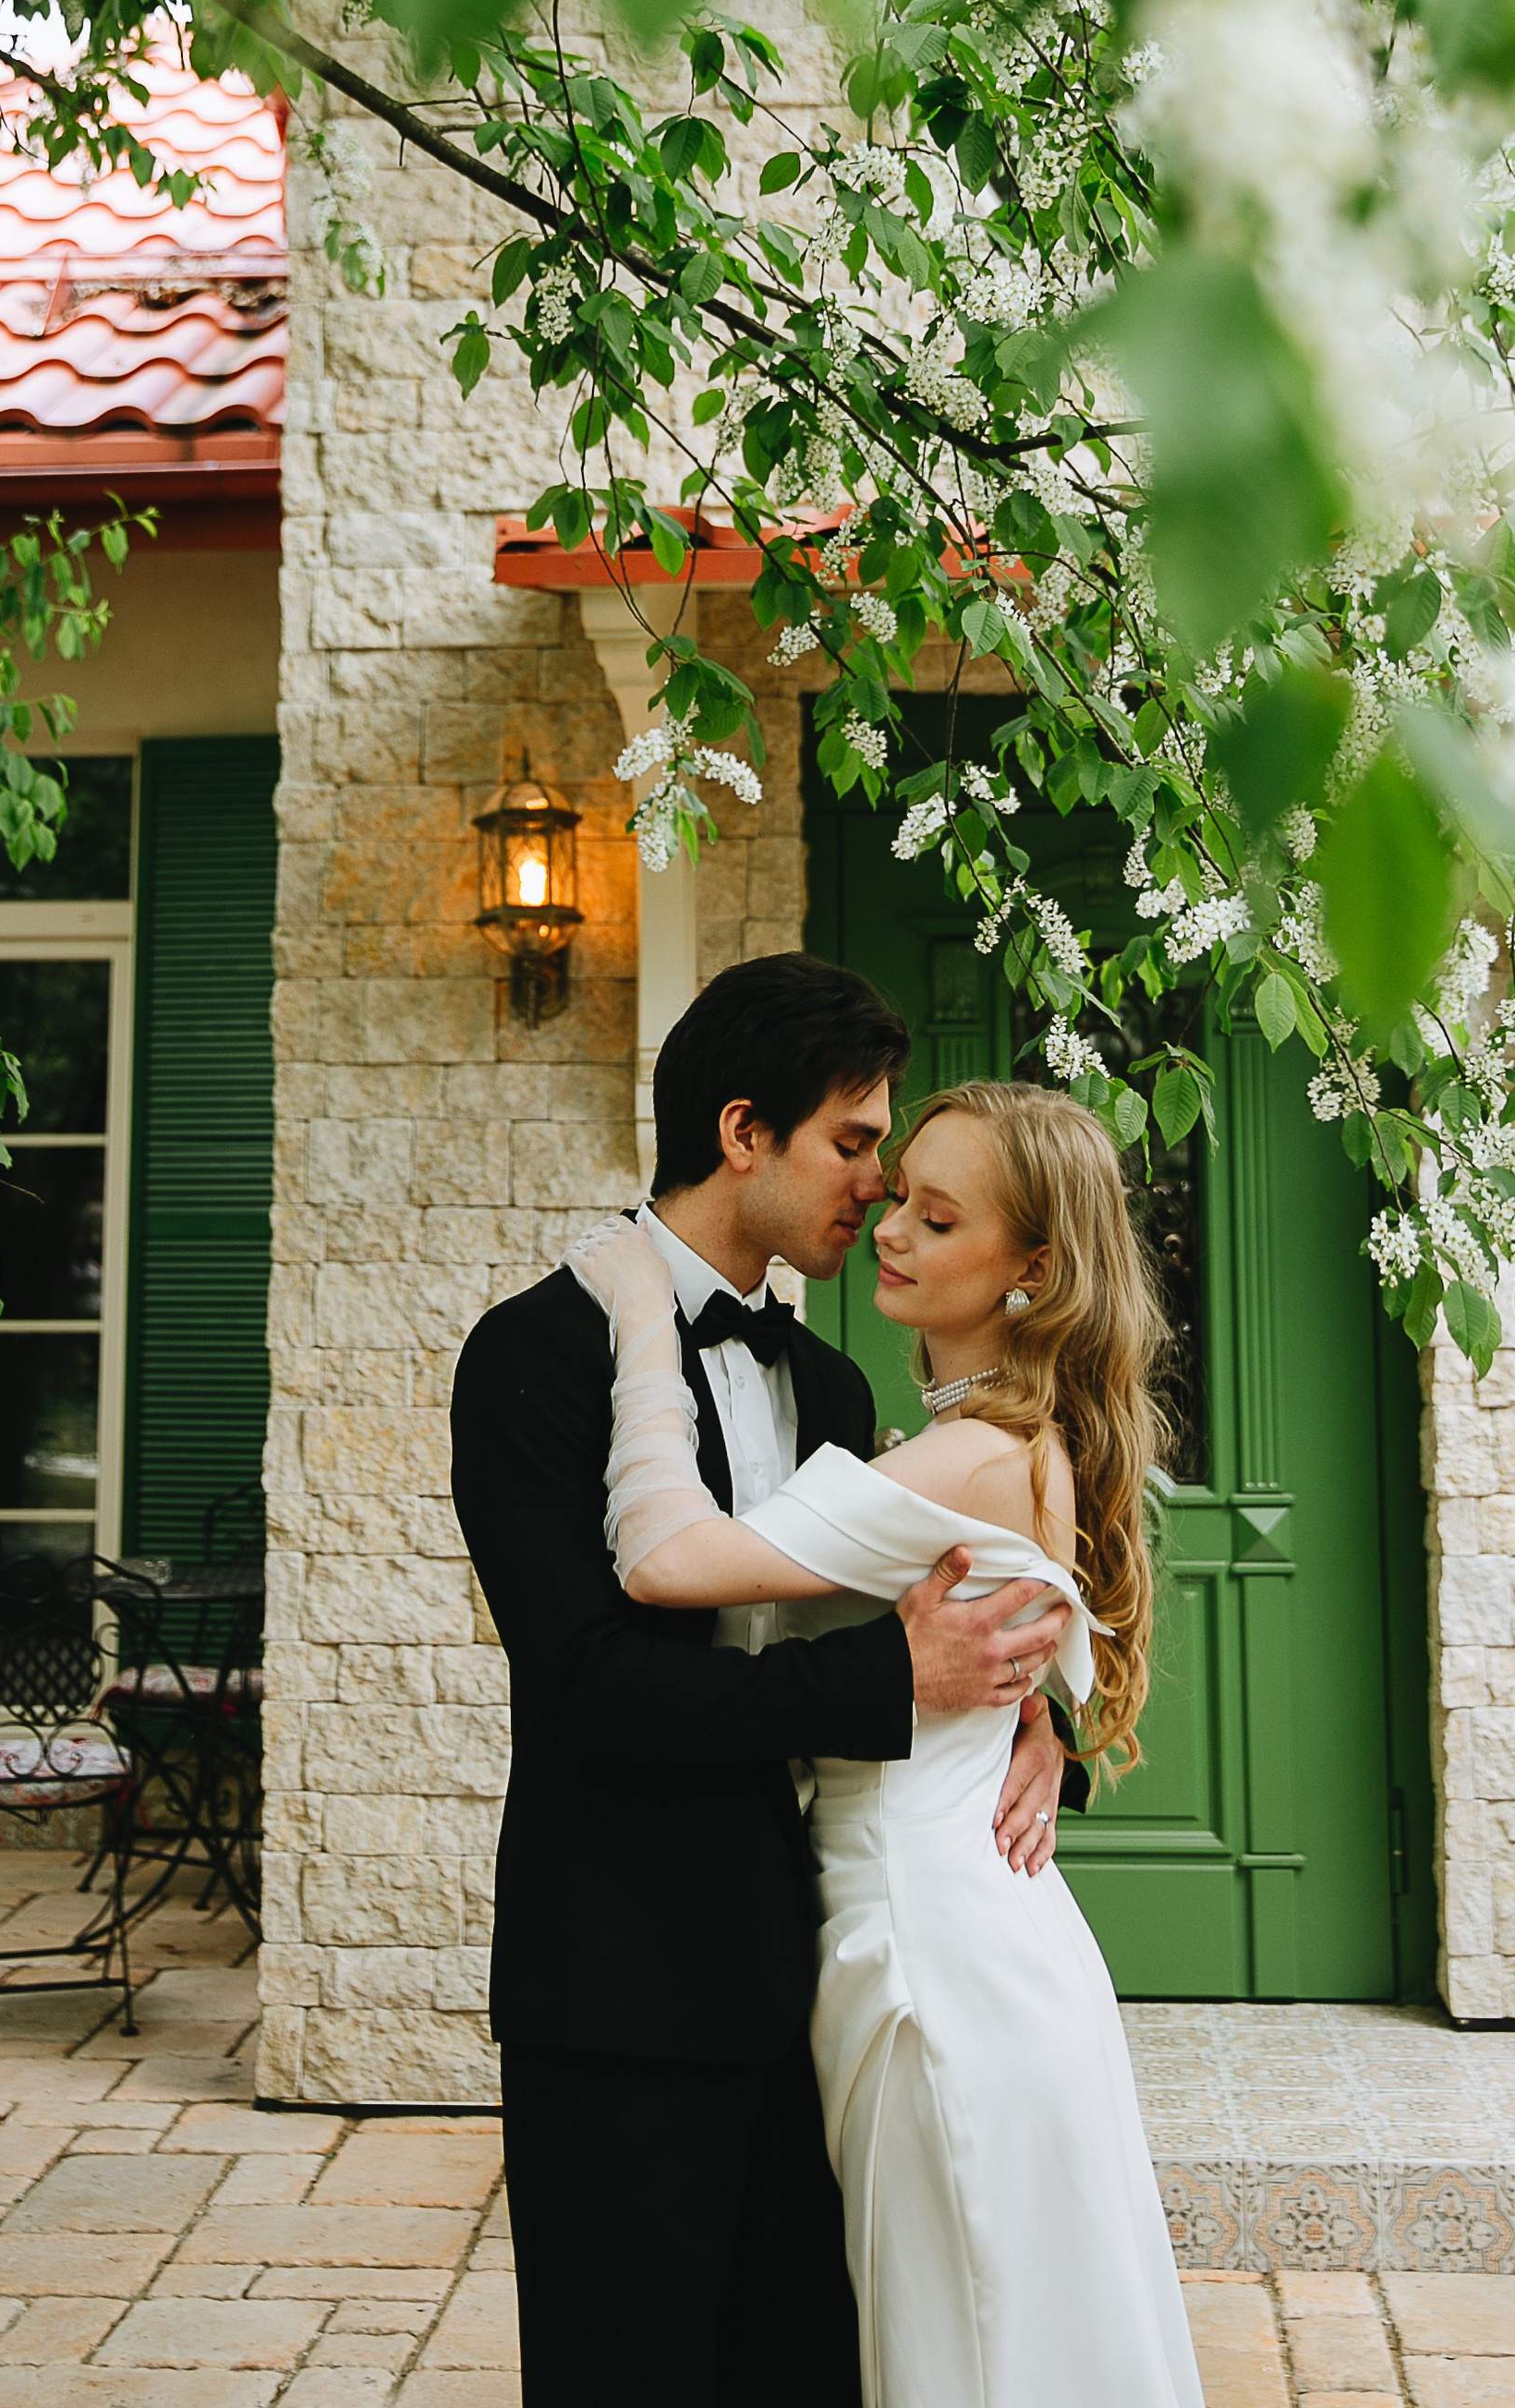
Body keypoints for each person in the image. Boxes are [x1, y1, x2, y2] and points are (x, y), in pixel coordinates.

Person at [450, 957, 1075, 2408]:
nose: (876, 1187)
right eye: (855, 1146)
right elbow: (594, 1688)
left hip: (830, 1988)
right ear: (745, 1133)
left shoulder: (842, 1392)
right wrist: (895, 1678)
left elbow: (973, 1608)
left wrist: (1034, 1728)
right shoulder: (528, 1358)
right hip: (619, 1989)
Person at [575, 1075, 1205, 2408]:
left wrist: (639, 1316)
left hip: (928, 1959)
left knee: (960, 2345)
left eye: (937, 1214)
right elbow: (1010, 1643)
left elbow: (665, 1559)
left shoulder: (971, 1455)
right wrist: (1035, 1719)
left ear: (1033, 1266)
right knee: (1012, 2335)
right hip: (993, 1932)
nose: (891, 1228)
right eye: (896, 1191)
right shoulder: (1019, 1440)